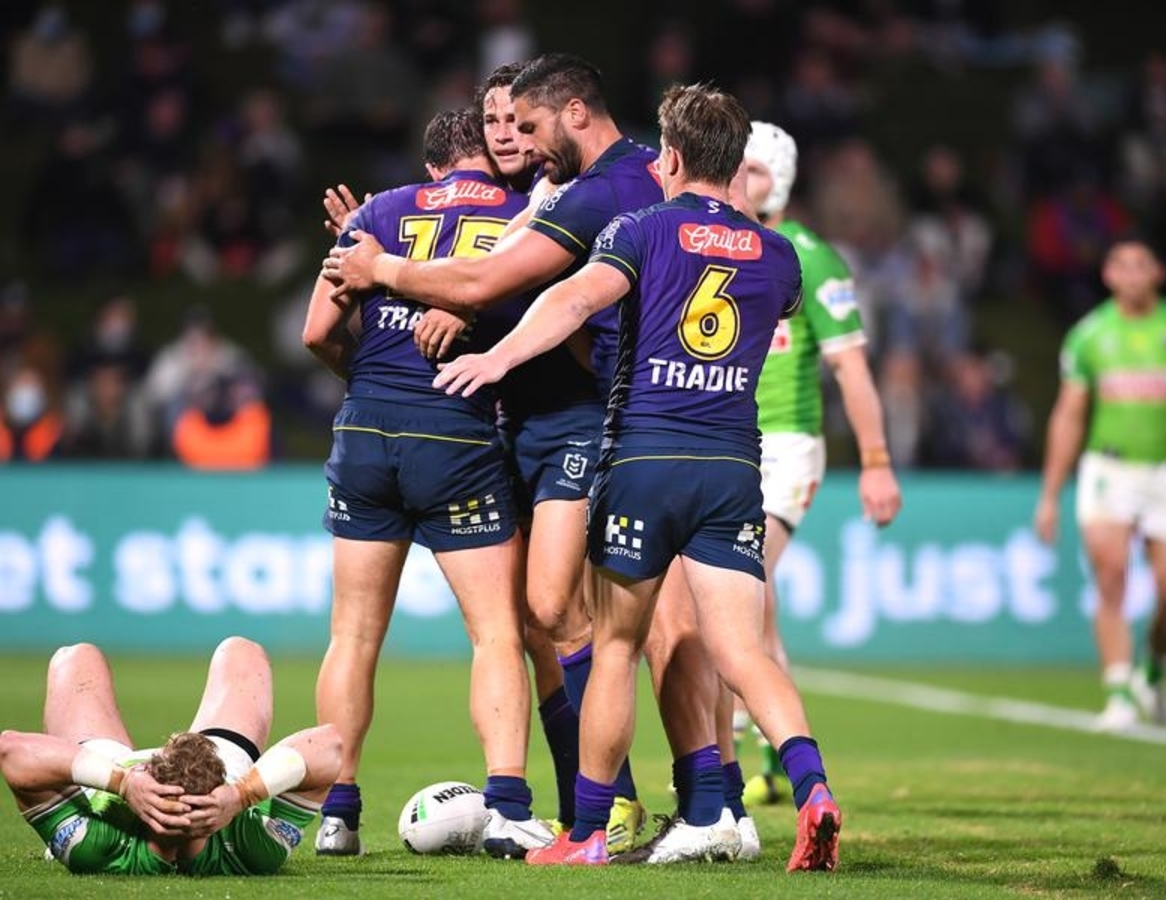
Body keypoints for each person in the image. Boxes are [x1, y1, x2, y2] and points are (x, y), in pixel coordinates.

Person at [433, 83, 842, 873]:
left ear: (672, 157)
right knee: (744, 652)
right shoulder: (778, 255)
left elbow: (573, 298)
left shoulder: (642, 228)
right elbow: (776, 311)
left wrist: (499, 356)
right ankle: (814, 790)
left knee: (617, 646)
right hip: (733, 467)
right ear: (737, 163)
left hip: (645, 460)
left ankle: (589, 830)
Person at [321, 52, 665, 850]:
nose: (510, 134)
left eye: (521, 121)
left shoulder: (567, 195)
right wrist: (447, 289)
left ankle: (624, 802)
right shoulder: (530, 202)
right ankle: (582, 808)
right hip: (500, 426)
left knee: (552, 611)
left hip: (578, 421)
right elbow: (484, 269)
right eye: (495, 122)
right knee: (530, 630)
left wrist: (421, 284)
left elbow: (497, 280)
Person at [302, 107, 553, 859]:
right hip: (455, 431)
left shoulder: (379, 211)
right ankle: (508, 809)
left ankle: (337, 815)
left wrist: (372, 379)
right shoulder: (522, 212)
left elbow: (316, 332)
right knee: (496, 633)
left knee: (352, 636)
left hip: (364, 431)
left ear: (432, 165)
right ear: (488, 154)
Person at [736, 120, 901, 803]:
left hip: (786, 447)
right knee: (750, 601)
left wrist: (877, 460)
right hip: (725, 441)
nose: (741, 179)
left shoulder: (811, 257)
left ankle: (753, 750)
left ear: (780, 182)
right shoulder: (718, 247)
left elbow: (851, 370)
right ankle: (772, 753)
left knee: (743, 583)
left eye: (754, 170)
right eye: (736, 166)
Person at [0, 637, 342, 876]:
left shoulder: (97, 845)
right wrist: (241, 795)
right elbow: (330, 745)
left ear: (147, 769)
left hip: (108, 774)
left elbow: (11, 749)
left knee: (75, 658)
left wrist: (123, 783)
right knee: (242, 652)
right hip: (221, 766)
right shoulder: (250, 849)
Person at [1035, 239, 1166, 731]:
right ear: (1108, 275)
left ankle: (1153, 674)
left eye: (1140, 265)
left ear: (1158, 273)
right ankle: (1119, 690)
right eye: (1121, 266)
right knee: (1110, 579)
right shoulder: (1090, 335)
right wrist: (1050, 494)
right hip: (1109, 471)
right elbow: (1069, 414)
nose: (1131, 275)